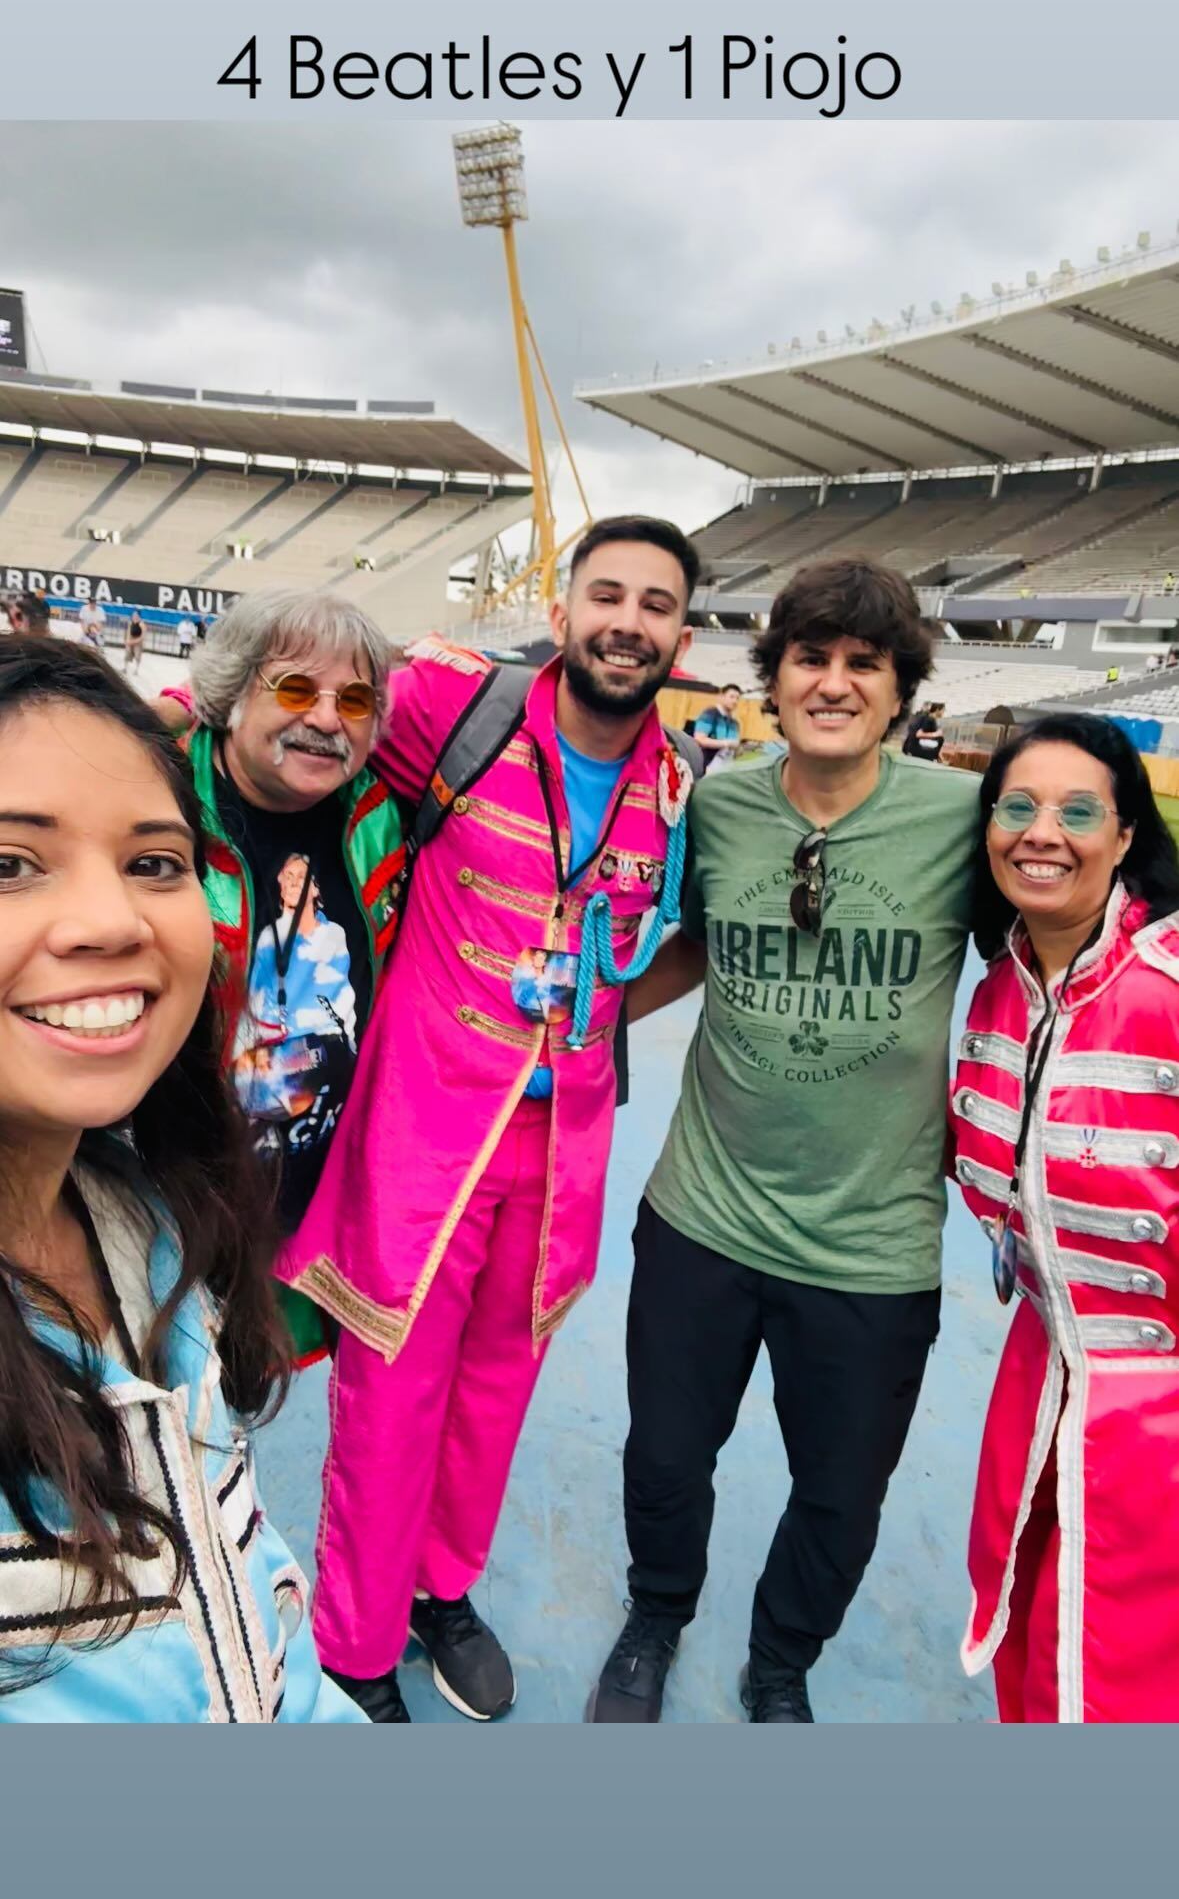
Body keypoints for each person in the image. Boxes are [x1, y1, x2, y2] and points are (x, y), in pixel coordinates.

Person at [277, 516, 702, 1724]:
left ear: (681, 633)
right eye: (606, 593)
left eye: (657, 603)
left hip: (562, 1143)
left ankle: (440, 1590)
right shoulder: (453, 707)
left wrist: (604, 1011)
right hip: (423, 1124)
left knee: (497, 1386)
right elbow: (309, 745)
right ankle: (357, 1643)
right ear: (564, 611)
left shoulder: (672, 783)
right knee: (393, 1392)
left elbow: (666, 938)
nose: (629, 620)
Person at [588, 557, 979, 1724]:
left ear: (900, 688)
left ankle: (780, 1661)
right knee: (663, 1455)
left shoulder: (959, 820)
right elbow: (697, 941)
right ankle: (657, 1615)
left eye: (865, 662)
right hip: (706, 1207)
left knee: (841, 1495)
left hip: (872, 1240)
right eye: (812, 656)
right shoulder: (719, 803)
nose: (835, 681)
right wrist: (574, 1023)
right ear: (775, 678)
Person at [0, 637, 365, 1722]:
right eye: (9, 862)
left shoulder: (156, 1220)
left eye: (156, 862)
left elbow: (241, 1586)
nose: (113, 922)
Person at [951, 713, 1179, 1724]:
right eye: (1018, 806)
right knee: (1034, 1654)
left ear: (1126, 835)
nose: (1043, 832)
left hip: (1159, 1428)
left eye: (1078, 810)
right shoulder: (999, 987)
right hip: (1040, 1389)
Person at [183, 590, 402, 1267]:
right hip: (163, 1193)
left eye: (356, 701)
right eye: (296, 687)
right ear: (234, 691)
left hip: (300, 1209)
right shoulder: (153, 797)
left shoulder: (379, 817)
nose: (327, 719)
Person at [694, 684, 743, 770]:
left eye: (737, 698)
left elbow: (734, 746)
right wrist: (725, 743)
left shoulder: (735, 723)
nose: (735, 701)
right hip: (706, 764)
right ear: (722, 697)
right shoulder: (709, 714)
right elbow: (699, 739)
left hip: (725, 767)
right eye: (731, 697)